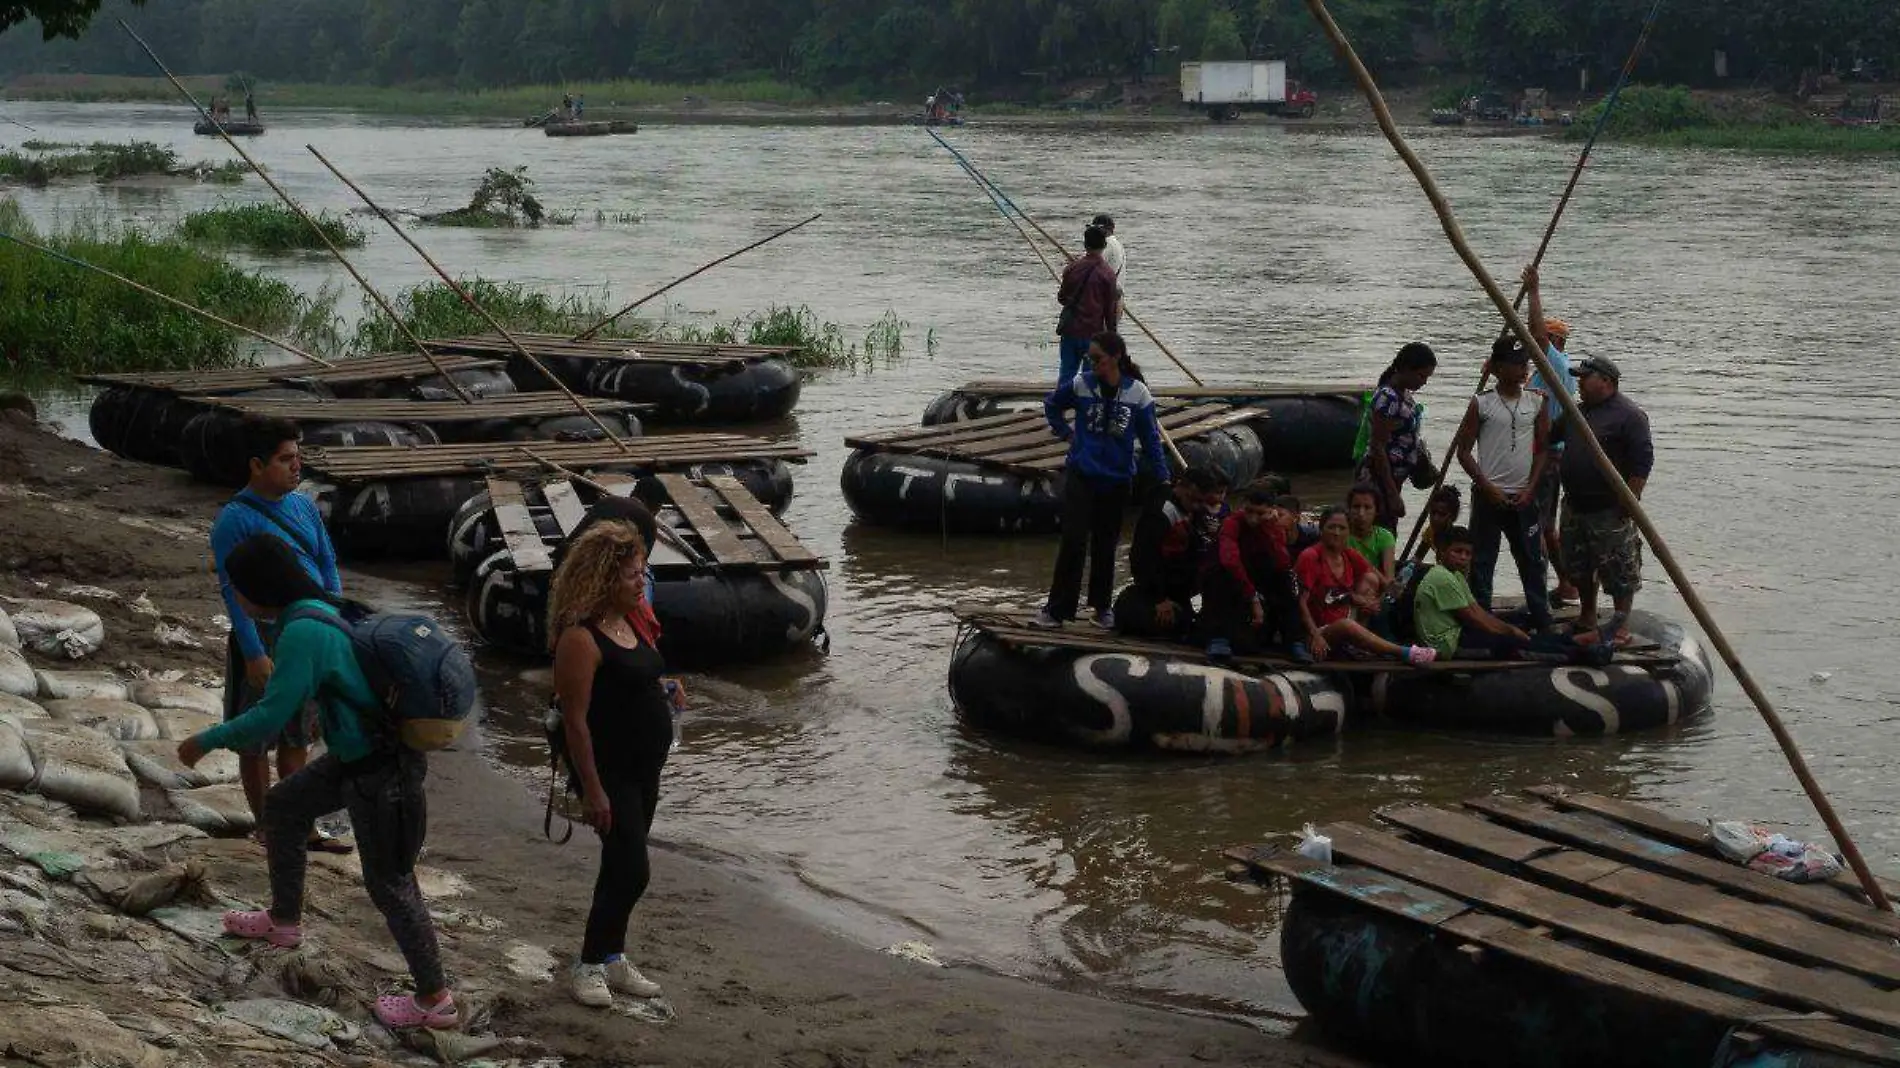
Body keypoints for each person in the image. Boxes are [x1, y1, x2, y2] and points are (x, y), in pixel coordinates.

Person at [176, 536, 455, 1031]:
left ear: (258, 587)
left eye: (235, 588)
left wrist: (206, 739)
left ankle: (435, 1000)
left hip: (381, 769)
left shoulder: (302, 633)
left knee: (390, 883)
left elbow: (271, 717)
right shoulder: (322, 606)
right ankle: (284, 922)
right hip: (356, 757)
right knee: (284, 806)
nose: (234, 598)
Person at [550, 522, 683, 1009]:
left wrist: (668, 686)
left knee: (619, 867)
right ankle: (587, 964)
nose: (639, 581)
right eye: (631, 574)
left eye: (642, 571)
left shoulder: (633, 620)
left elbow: (643, 675)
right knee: (632, 870)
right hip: (611, 772)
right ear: (605, 577)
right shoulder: (579, 639)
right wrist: (593, 790)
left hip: (647, 768)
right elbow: (576, 722)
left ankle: (612, 957)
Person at [208, 416, 351, 854]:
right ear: (256, 465)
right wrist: (253, 653)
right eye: (285, 459)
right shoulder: (233, 521)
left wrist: (331, 613)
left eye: (298, 457)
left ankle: (300, 824)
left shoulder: (303, 506)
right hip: (263, 636)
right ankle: (267, 824)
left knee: (297, 734)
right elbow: (233, 592)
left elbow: (327, 561)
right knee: (255, 740)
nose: (296, 467)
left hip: (305, 632)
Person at [1033, 333, 1170, 629]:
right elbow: (1052, 405)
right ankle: (1058, 609)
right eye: (1089, 359)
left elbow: (1150, 440)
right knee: (1073, 540)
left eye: (1097, 359)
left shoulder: (1138, 394)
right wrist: (1067, 434)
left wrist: (1163, 478)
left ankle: (1101, 607)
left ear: (1116, 357)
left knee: (1106, 545)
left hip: (1117, 479)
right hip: (1082, 474)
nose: (1091, 364)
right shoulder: (1082, 385)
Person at [1455, 335, 1553, 631]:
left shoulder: (1536, 401)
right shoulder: (1481, 403)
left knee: (1531, 559)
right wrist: (1487, 486)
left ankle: (1541, 617)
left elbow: (1543, 450)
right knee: (1483, 559)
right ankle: (1481, 618)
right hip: (1489, 495)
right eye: (1515, 364)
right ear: (1497, 368)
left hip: (1523, 495)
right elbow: (1464, 452)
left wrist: (1530, 488)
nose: (1522, 369)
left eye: (1524, 363)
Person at [1412, 526, 1612, 663]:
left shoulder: (1455, 576)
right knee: (1516, 646)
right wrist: (1508, 632)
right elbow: (1475, 619)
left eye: (1467, 553)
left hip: (1458, 634)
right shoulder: (1441, 577)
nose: (1463, 558)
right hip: (1448, 646)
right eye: (1457, 551)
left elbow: (1478, 611)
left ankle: (1576, 642)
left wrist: (1509, 629)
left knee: (1520, 630)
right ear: (1443, 552)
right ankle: (1583, 654)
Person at [1560, 353, 1652, 645]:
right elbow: (1550, 436)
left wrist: (1630, 499)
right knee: (1580, 565)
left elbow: (1642, 462)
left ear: (1606, 382)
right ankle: (1587, 614)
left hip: (1610, 507)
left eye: (1586, 379)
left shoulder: (1629, 415)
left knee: (1619, 568)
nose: (1581, 384)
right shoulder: (1577, 412)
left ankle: (1620, 624)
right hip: (1576, 503)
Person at [1296, 507, 1436, 664]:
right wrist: (1315, 636)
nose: (1336, 533)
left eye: (1342, 528)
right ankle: (1403, 652)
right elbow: (1300, 603)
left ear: (1348, 532)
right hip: (1318, 631)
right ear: (1321, 529)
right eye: (1331, 527)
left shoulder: (1348, 554)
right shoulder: (1310, 557)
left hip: (1345, 616)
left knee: (1370, 579)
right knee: (1346, 625)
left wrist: (1379, 599)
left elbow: (1377, 578)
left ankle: (1358, 644)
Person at [1525, 265, 1580, 607]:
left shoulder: (1556, 363)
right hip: (1540, 454)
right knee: (1543, 524)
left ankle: (1566, 583)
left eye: (1543, 339)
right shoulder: (1542, 371)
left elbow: (1534, 331)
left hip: (1549, 456)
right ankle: (1564, 583)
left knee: (1542, 525)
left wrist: (1533, 291)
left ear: (1555, 342)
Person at [1201, 482, 1304, 662]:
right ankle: (1219, 638)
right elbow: (1230, 561)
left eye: (1260, 513)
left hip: (1256, 578)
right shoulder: (1232, 523)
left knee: (1285, 579)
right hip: (1233, 581)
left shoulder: (1273, 527)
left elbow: (1282, 561)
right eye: (1249, 512)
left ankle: (1295, 641)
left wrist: (1269, 528)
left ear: (1270, 511)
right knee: (1219, 573)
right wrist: (1253, 598)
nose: (1253, 518)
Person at [1113, 467, 1220, 639]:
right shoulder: (1161, 512)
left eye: (1201, 502)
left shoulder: (1193, 512)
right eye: (1193, 500)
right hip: (1161, 587)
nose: (1196, 506)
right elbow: (1142, 557)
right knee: (1172, 624)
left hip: (1180, 585)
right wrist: (1159, 598)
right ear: (1181, 487)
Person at [1356, 342, 1439, 530]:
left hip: (1394, 478)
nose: (1424, 382)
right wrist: (1392, 494)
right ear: (1406, 369)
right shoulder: (1388, 397)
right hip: (1380, 480)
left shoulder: (1403, 395)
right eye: (1421, 375)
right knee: (1379, 531)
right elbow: (1378, 446)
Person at [1054, 225, 1121, 382]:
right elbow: (1109, 313)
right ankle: (1085, 406)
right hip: (1093, 334)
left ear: (1085, 244)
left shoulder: (1072, 268)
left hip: (1070, 331)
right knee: (1090, 378)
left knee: (1067, 374)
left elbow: (1062, 298)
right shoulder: (1107, 274)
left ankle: (1062, 404)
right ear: (1104, 246)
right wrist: (1112, 337)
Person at [1345, 484, 1396, 581]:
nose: (1361, 514)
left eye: (1367, 507)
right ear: (1349, 509)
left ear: (1376, 511)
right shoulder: (1341, 535)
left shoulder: (1384, 537)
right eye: (1356, 507)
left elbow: (1389, 579)